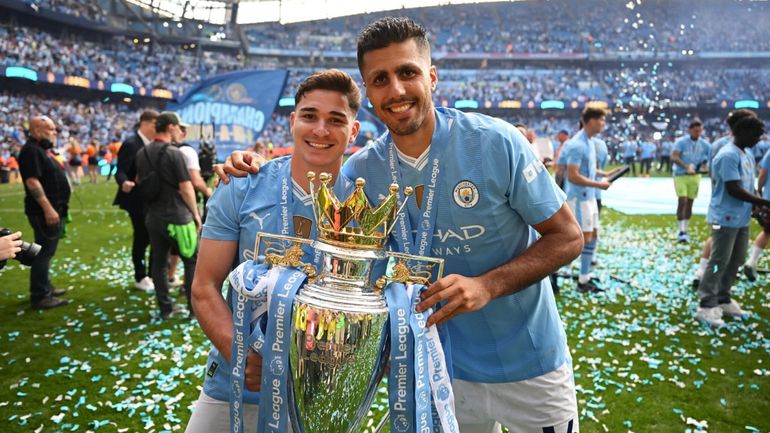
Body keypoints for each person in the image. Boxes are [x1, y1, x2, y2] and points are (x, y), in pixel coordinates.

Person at [218, 18, 585, 433]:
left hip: (529, 361)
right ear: (369, 92)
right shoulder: (361, 171)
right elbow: (304, 178)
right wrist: (247, 168)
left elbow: (568, 237)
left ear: (431, 76)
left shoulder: (494, 142)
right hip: (435, 366)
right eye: (380, 79)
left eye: (407, 72)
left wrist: (488, 285)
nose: (395, 90)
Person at [186, 69, 360, 433]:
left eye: (336, 120)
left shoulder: (366, 204)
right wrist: (240, 355)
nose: (320, 130)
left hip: (317, 394)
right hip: (234, 386)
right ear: (293, 121)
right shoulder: (241, 187)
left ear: (353, 132)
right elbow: (204, 286)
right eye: (310, 116)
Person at [697, 115, 766, 327]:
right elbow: (733, 188)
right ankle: (706, 304)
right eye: (755, 135)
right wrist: (764, 201)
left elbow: (748, 184)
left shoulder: (746, 153)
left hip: (740, 218)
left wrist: (756, 204)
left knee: (735, 260)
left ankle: (723, 298)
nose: (758, 140)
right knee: (718, 262)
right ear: (742, 133)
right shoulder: (727, 155)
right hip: (724, 218)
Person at [135, 112, 201, 320]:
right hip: (179, 218)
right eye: (178, 127)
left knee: (159, 263)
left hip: (154, 217)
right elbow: (186, 188)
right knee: (191, 261)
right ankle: (193, 310)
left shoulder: (142, 153)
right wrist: (196, 214)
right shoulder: (175, 153)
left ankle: (165, 308)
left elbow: (139, 181)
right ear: (171, 127)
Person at [17, 116, 70, 309]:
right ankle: (40, 295)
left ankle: (44, 286)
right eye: (51, 129)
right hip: (43, 211)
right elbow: (32, 181)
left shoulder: (40, 149)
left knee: (45, 250)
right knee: (43, 252)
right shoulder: (32, 150)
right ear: (37, 130)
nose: (54, 133)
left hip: (51, 208)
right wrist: (48, 208)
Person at [561, 109, 613, 293]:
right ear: (591, 121)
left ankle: (585, 277)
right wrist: (599, 185)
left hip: (589, 197)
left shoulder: (590, 142)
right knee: (580, 240)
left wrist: (602, 174)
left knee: (593, 235)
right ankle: (555, 272)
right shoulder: (577, 145)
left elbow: (586, 170)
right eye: (601, 120)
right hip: (579, 198)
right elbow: (573, 176)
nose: (603, 124)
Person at [114, 110, 158, 293]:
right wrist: (124, 182)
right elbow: (121, 170)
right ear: (146, 123)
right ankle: (141, 276)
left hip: (153, 198)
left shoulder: (155, 144)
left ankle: (154, 274)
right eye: (156, 124)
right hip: (136, 199)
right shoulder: (131, 143)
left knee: (155, 237)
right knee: (141, 237)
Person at [167, 125, 213, 288]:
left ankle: (170, 277)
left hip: (160, 207)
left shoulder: (160, 150)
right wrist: (208, 191)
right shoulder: (187, 151)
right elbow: (194, 180)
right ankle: (187, 285)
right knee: (191, 250)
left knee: (170, 247)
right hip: (183, 206)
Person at [671, 120, 710, 243]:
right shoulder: (681, 142)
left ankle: (685, 229)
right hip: (681, 175)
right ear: (689, 130)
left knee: (690, 202)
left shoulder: (704, 144)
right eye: (695, 131)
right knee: (682, 200)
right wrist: (686, 166)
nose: (698, 133)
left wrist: (704, 165)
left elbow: (710, 156)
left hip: (695, 176)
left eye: (700, 131)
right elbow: (674, 156)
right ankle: (681, 230)